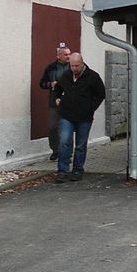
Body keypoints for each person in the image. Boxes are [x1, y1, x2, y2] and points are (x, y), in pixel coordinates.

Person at [53, 52, 106, 182]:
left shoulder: (93, 77)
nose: (74, 68)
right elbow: (57, 89)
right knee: (64, 142)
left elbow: (100, 94)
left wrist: (90, 108)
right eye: (72, 65)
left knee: (80, 145)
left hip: (84, 116)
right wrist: (57, 99)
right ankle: (62, 171)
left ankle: (77, 170)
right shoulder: (66, 75)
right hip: (66, 114)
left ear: (82, 63)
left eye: (76, 65)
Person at [38, 44, 71, 161]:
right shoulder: (51, 68)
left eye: (69, 54)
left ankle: (67, 153)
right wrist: (50, 84)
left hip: (69, 102)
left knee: (67, 128)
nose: (68, 56)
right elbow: (42, 83)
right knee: (53, 127)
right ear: (58, 56)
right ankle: (55, 151)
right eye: (65, 54)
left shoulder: (74, 66)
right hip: (54, 102)